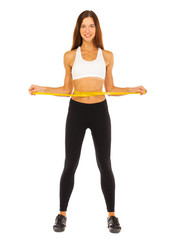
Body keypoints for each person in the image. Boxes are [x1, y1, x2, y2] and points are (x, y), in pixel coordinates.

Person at [28, 10, 147, 233]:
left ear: (97, 28)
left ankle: (112, 216)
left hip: (100, 110)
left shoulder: (107, 55)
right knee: (70, 163)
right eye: (83, 26)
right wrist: (41, 88)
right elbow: (66, 90)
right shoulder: (70, 56)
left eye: (91, 26)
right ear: (78, 29)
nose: (87, 30)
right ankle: (62, 214)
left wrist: (133, 89)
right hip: (77, 111)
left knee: (105, 163)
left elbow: (110, 89)